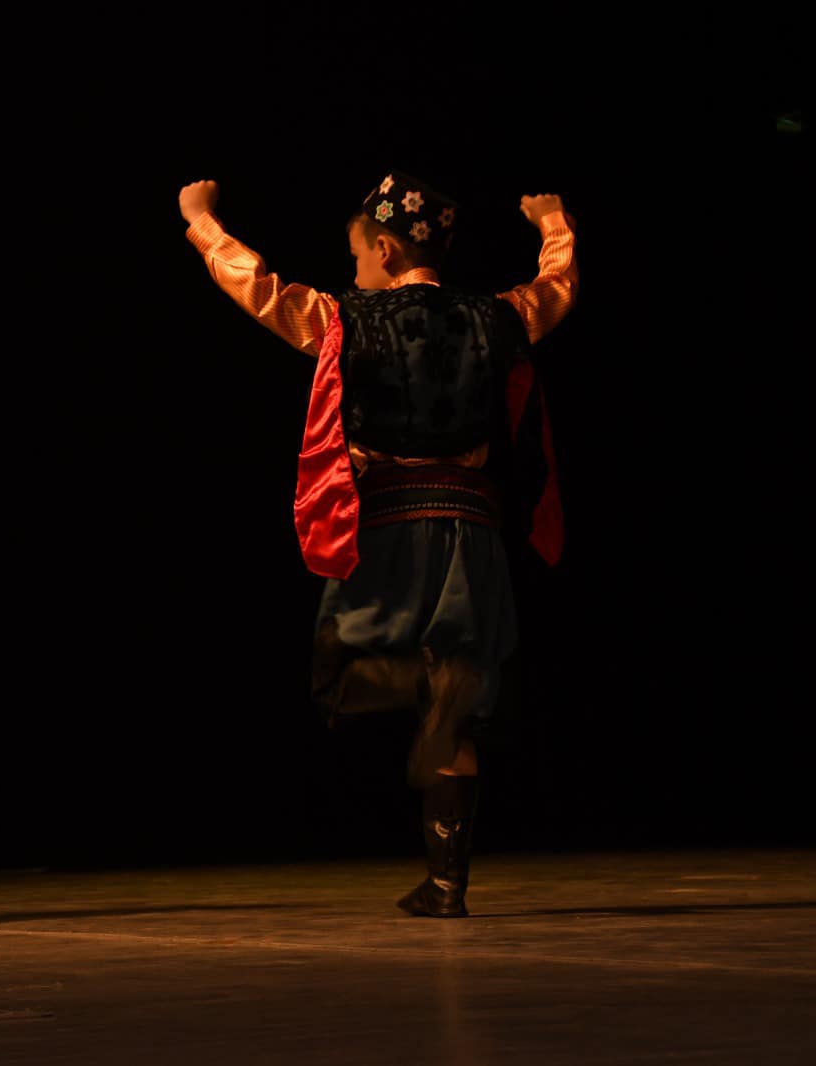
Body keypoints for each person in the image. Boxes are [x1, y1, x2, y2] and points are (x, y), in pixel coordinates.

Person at [179, 172, 577, 917]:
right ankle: (447, 886)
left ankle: (424, 690)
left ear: (386, 250)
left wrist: (202, 222)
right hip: (471, 527)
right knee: (457, 703)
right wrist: (555, 226)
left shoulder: (344, 318)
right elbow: (556, 289)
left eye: (358, 255)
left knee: (336, 680)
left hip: (391, 526)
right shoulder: (497, 317)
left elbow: (257, 288)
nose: (354, 269)